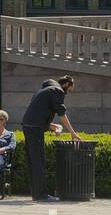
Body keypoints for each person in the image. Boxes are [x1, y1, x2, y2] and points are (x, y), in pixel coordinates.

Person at [21, 75, 82, 203]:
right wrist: (73, 133)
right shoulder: (57, 91)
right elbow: (62, 114)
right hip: (35, 129)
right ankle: (41, 195)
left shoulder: (42, 91)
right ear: (65, 85)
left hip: (28, 126)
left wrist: (50, 126)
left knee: (33, 161)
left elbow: (37, 113)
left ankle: (36, 193)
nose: (68, 93)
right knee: (39, 162)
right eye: (69, 90)